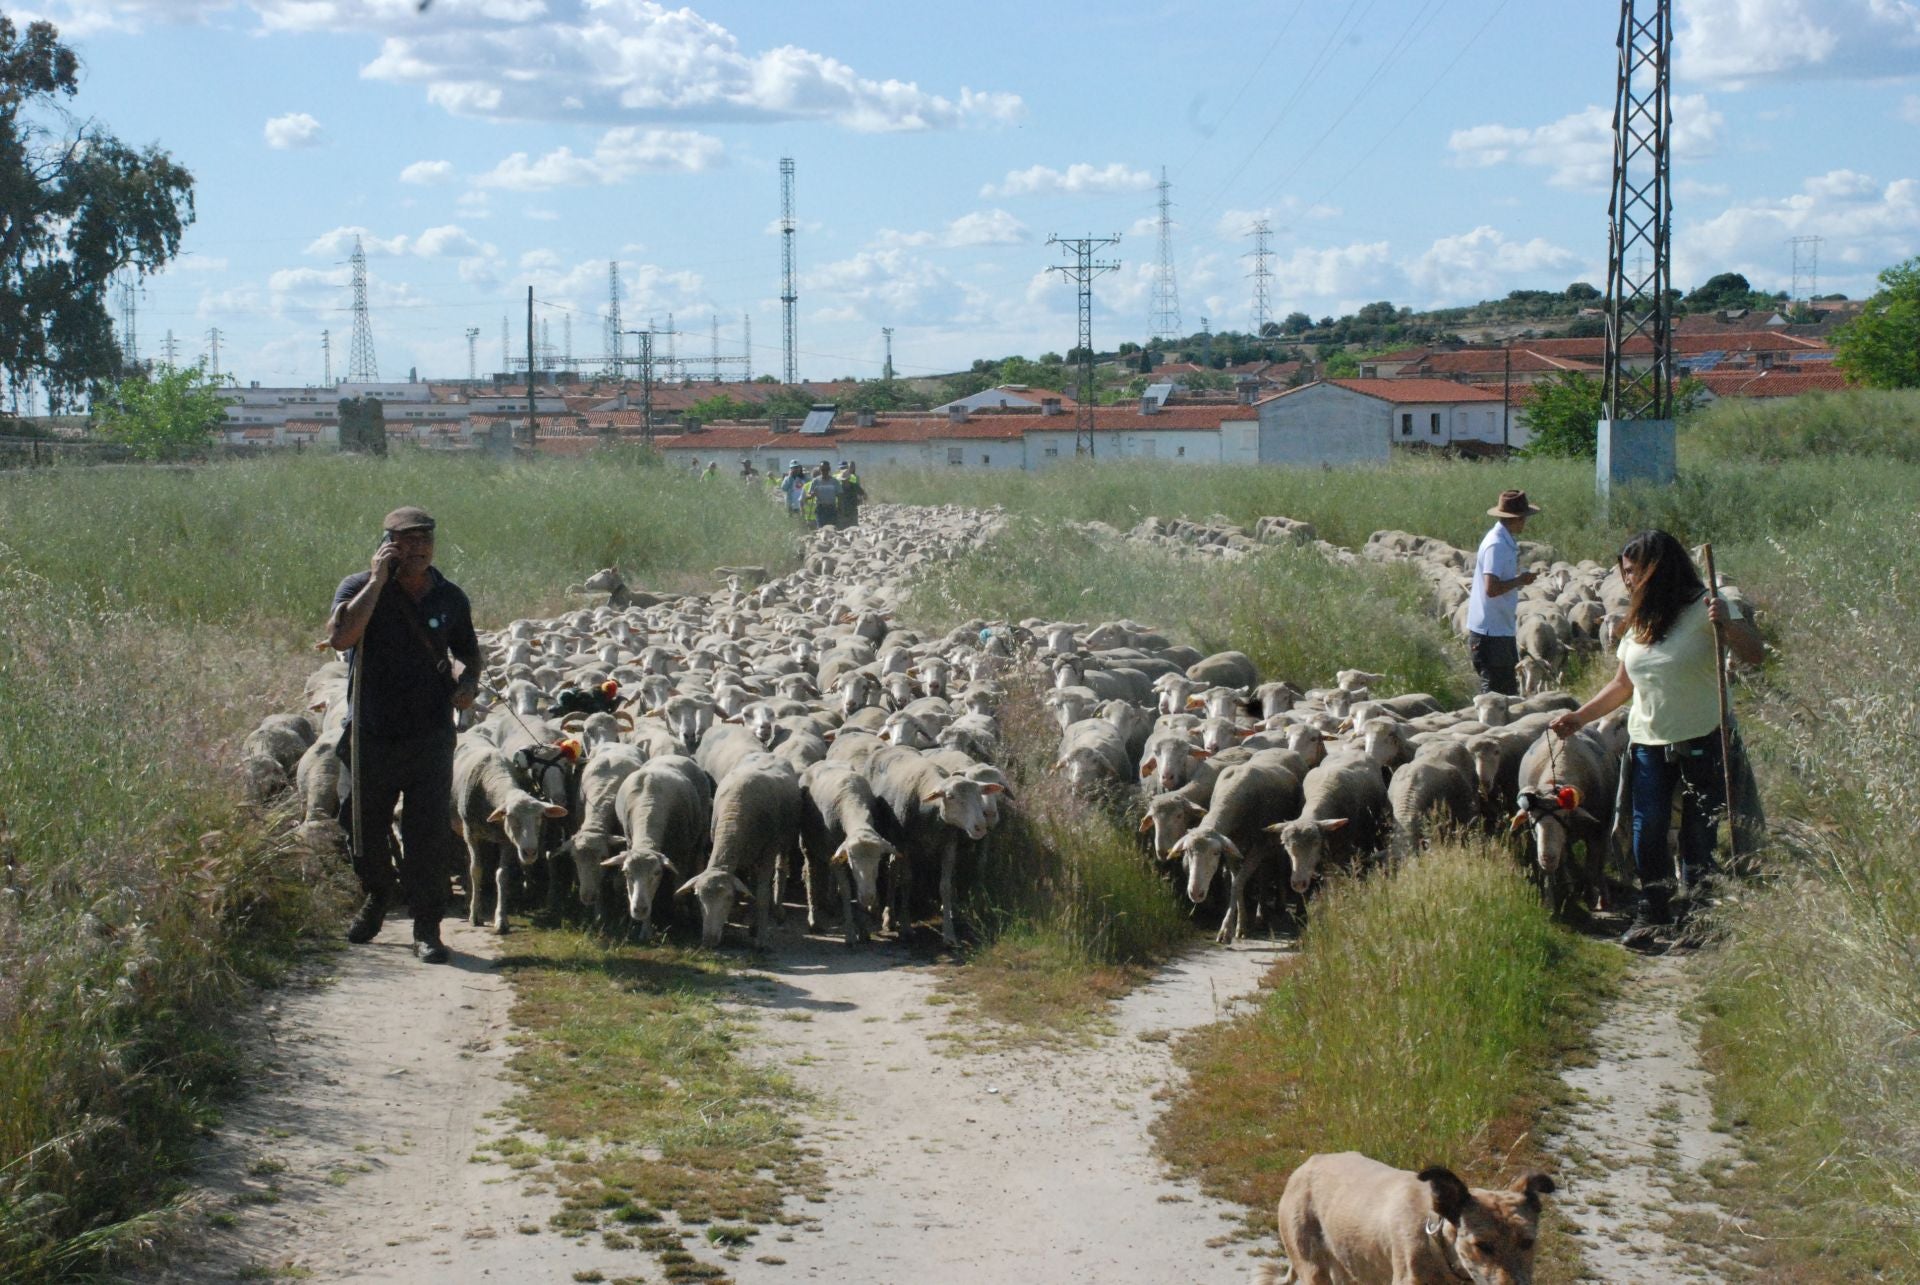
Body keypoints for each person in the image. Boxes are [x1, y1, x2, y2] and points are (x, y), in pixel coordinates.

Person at [1548, 530, 1763, 948]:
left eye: (1633, 571)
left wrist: (1731, 625)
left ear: (1657, 569)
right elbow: (1622, 684)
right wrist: (1579, 718)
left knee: (1699, 831)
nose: (1627, 580)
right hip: (1648, 742)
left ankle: (1700, 916)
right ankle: (1654, 911)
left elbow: (1754, 655)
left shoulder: (1707, 609)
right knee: (1647, 829)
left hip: (1705, 737)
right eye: (1623, 572)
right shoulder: (1640, 620)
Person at [327, 507, 483, 964]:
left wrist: (468, 685)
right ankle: (377, 896)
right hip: (372, 733)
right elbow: (340, 638)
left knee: (427, 833)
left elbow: (469, 654)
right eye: (406, 540)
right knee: (363, 828)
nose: (417, 549)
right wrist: (377, 582)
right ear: (387, 543)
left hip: (431, 734)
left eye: (424, 540)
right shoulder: (358, 588)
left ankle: (427, 927)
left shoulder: (449, 596)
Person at [1466, 489, 1540, 696]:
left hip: (1499, 629)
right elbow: (1491, 588)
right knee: (1496, 695)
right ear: (1517, 518)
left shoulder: (1504, 541)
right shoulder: (1496, 545)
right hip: (1491, 634)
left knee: (1507, 692)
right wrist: (1520, 580)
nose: (1526, 522)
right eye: (1524, 517)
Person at [804, 461, 840, 528]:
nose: (825, 472)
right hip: (821, 510)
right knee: (821, 531)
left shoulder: (835, 482)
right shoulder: (816, 481)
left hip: (832, 509)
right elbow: (807, 496)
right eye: (823, 470)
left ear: (829, 470)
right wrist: (812, 495)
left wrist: (840, 509)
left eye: (826, 470)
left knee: (833, 530)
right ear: (820, 470)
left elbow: (840, 495)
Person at [836, 460, 863, 526]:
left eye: (844, 480)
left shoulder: (854, 485)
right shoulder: (839, 487)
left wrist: (861, 499)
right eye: (842, 480)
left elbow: (863, 494)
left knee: (853, 530)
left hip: (851, 512)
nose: (843, 481)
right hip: (842, 512)